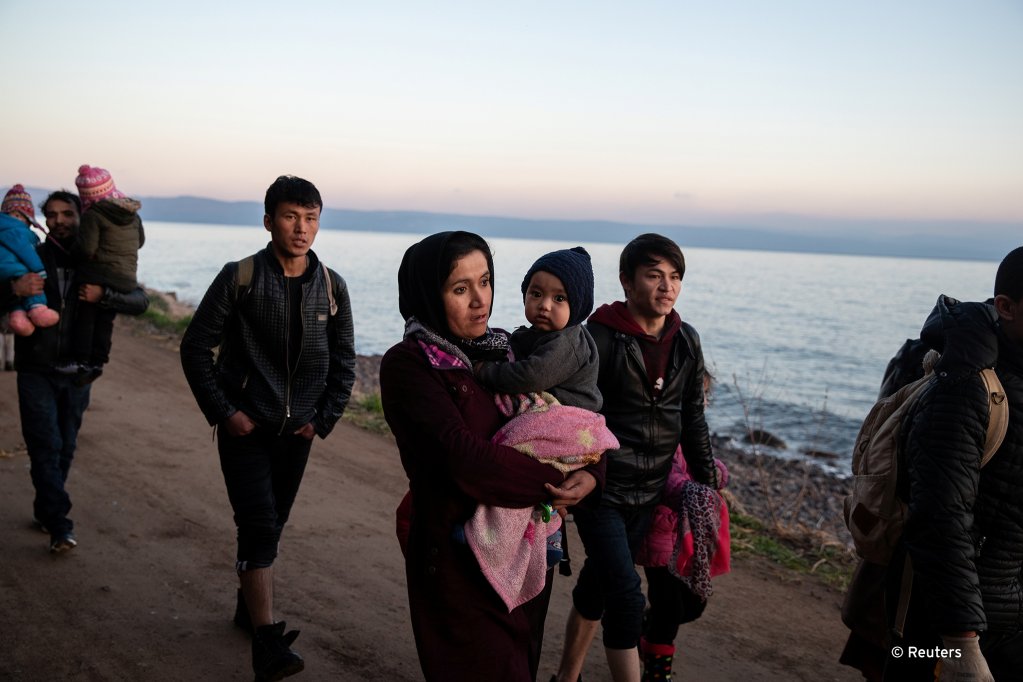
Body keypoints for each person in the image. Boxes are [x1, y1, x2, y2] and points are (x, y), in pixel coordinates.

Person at [379, 231, 604, 681]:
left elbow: (563, 420)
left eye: (485, 281)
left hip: (525, 552)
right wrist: (555, 477)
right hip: (458, 562)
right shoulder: (411, 364)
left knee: (521, 662)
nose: (479, 300)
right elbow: (465, 459)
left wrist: (593, 474)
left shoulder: (505, 349)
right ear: (428, 293)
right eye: (460, 289)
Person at [180, 175, 356, 682]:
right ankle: (267, 643)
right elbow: (195, 348)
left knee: (271, 524)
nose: (301, 229)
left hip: (296, 432)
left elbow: (344, 362)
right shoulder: (241, 276)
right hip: (245, 427)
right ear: (268, 221)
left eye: (311, 218)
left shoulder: (332, 286)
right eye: (290, 216)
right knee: (258, 524)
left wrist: (322, 420)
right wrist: (223, 411)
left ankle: (246, 607)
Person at [551, 233, 717, 682]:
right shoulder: (598, 337)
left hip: (649, 492)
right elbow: (575, 415)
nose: (667, 287)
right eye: (655, 275)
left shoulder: (687, 341)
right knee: (626, 598)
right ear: (627, 281)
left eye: (675, 277)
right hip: (602, 489)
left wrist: (707, 485)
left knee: (597, 586)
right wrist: (583, 471)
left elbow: (692, 418)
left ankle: (566, 677)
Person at [882, 247, 1023, 682]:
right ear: (1006, 307)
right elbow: (940, 518)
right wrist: (962, 644)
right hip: (940, 627)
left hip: (1009, 617)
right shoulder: (965, 388)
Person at [14, 190, 149, 553]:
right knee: (45, 445)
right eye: (52, 214)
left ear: (82, 216)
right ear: (44, 220)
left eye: (67, 214)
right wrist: (15, 287)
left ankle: (46, 509)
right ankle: (61, 525)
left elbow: (140, 301)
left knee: (66, 446)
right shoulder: (32, 257)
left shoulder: (101, 260)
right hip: (35, 367)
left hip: (78, 372)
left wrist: (103, 295)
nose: (59, 221)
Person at [475, 245, 602, 412]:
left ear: (577, 307)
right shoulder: (540, 332)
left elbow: (530, 376)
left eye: (559, 298)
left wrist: (484, 371)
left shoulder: (567, 342)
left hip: (570, 414)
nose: (544, 305)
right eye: (536, 294)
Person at [65, 164, 145, 383]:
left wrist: (72, 250)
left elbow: (86, 249)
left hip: (98, 276)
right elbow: (140, 242)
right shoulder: (132, 214)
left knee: (87, 319)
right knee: (105, 322)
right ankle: (98, 362)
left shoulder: (93, 214)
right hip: (127, 278)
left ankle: (82, 362)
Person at [0, 184, 60, 335]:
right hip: (16, 270)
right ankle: (38, 309)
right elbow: (27, 253)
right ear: (21, 217)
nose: (59, 221)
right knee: (33, 283)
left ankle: (18, 318)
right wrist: (40, 271)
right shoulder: (18, 232)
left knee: (18, 302)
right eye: (52, 215)